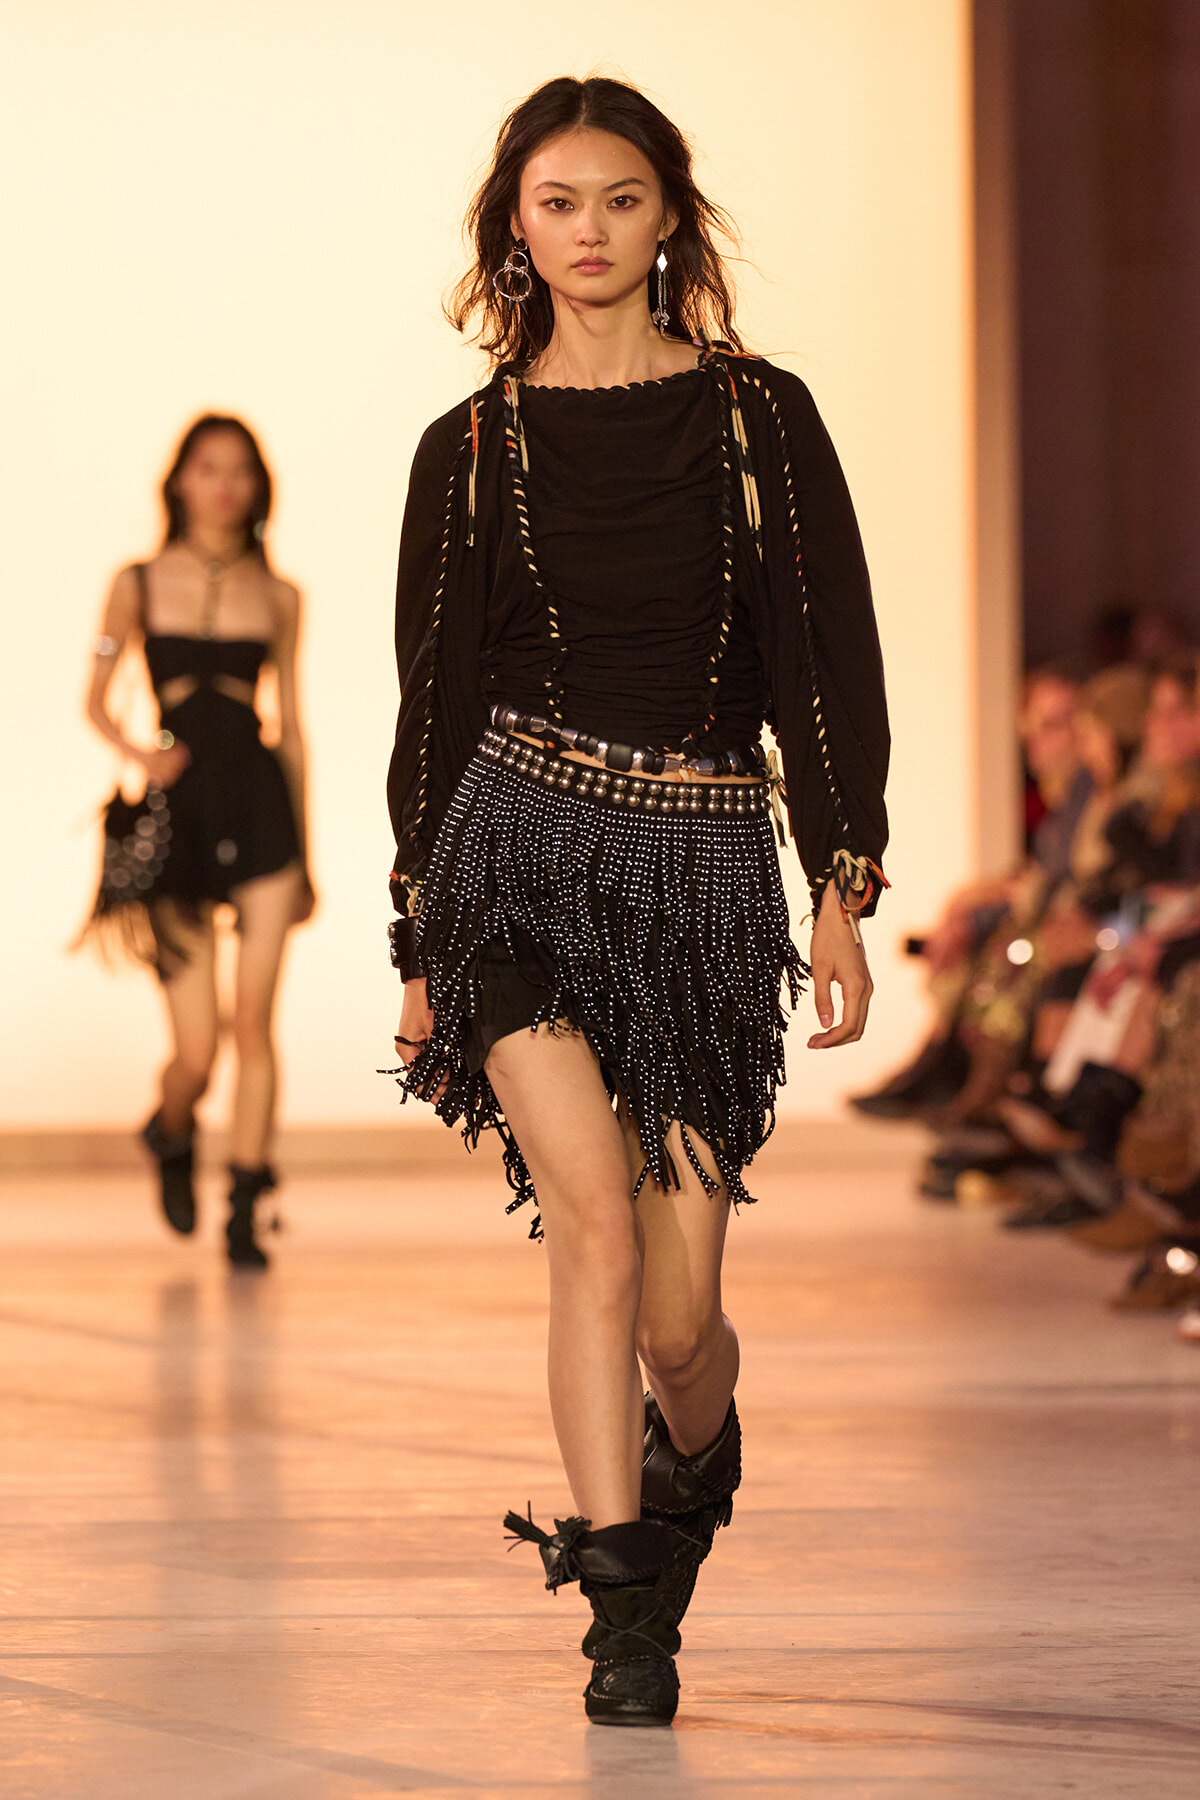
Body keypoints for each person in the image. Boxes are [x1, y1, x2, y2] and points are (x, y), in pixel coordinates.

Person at [385, 76, 888, 1726]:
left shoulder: (758, 415)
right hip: (511, 862)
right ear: (512, 230)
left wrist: (841, 882)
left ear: (668, 212)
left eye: (616, 199)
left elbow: (825, 667)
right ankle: (620, 1604)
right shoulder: (469, 449)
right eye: (554, 203)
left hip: (692, 877)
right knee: (587, 1230)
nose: (587, 232)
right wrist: (417, 939)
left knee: (684, 1318)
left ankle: (694, 1447)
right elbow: (435, 702)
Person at [84, 415, 313, 1269]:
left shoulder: (280, 595)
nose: (224, 485)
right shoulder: (136, 583)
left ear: (257, 486)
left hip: (260, 809)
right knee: (198, 1048)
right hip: (178, 815)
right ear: (179, 479)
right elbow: (96, 695)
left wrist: (307, 857)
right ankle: (172, 1127)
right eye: (208, 468)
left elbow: (291, 727)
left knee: (255, 1022)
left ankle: (245, 1206)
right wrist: (140, 753)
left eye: (240, 471)